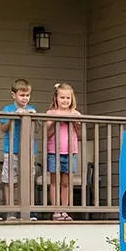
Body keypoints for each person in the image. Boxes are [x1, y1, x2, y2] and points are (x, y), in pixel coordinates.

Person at [0, 78, 36, 221]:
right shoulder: (7, 109)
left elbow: (36, 130)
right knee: (9, 181)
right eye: (22, 95)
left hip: (28, 150)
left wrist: (31, 117)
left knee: (27, 180)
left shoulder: (32, 109)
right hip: (11, 150)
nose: (25, 98)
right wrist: (13, 117)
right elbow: (3, 128)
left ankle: (27, 213)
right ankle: (11, 211)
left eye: (27, 95)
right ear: (14, 95)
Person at [44, 83, 82, 221]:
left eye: (68, 98)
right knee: (54, 181)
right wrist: (57, 121)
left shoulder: (75, 113)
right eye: (62, 97)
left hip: (70, 151)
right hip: (54, 150)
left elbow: (80, 132)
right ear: (56, 98)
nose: (65, 100)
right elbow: (47, 133)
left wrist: (75, 122)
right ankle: (55, 210)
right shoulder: (50, 113)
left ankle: (65, 210)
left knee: (66, 182)